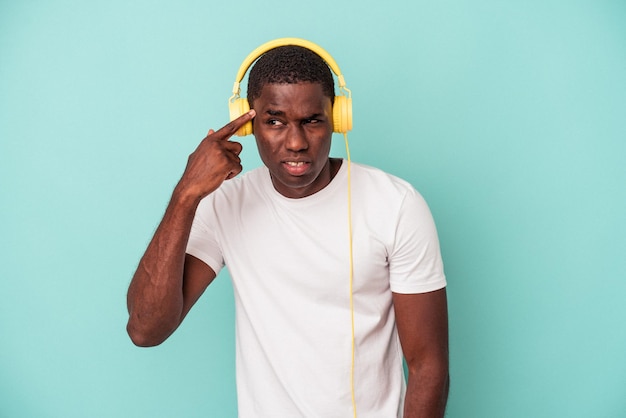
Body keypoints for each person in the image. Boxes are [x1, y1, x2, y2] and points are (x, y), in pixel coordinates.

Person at [127, 42, 449, 418]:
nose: (295, 143)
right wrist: (186, 195)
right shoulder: (227, 203)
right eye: (275, 121)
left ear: (337, 118)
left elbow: (429, 365)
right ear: (248, 123)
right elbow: (145, 330)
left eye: (312, 120)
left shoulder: (396, 205)